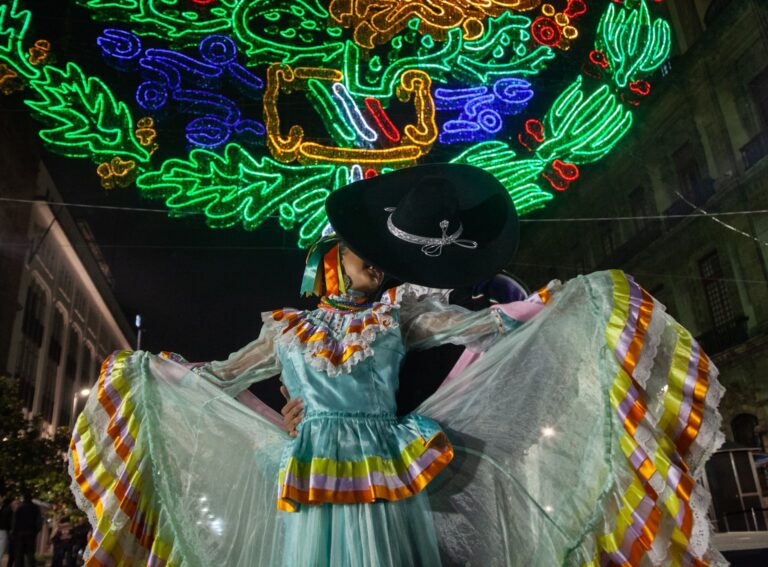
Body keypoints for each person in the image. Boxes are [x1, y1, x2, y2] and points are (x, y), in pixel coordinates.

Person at [69, 164, 726, 565]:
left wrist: (546, 309)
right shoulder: (287, 328)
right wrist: (159, 375)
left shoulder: (400, 312)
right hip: (317, 467)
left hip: (387, 465)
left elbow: (479, 326)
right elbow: (222, 377)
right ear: (334, 255)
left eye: (379, 257)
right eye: (362, 254)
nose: (373, 265)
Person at [10, 491, 40, 567]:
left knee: (19, 553)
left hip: (20, 533)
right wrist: (36, 531)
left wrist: (13, 532)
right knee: (30, 553)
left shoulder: (20, 508)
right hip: (31, 533)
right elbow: (38, 522)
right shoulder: (35, 508)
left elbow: (15, 522)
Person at [0, 497, 12, 564]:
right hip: (4, 530)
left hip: (1, 529)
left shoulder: (2, 509)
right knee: (1, 547)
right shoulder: (9, 510)